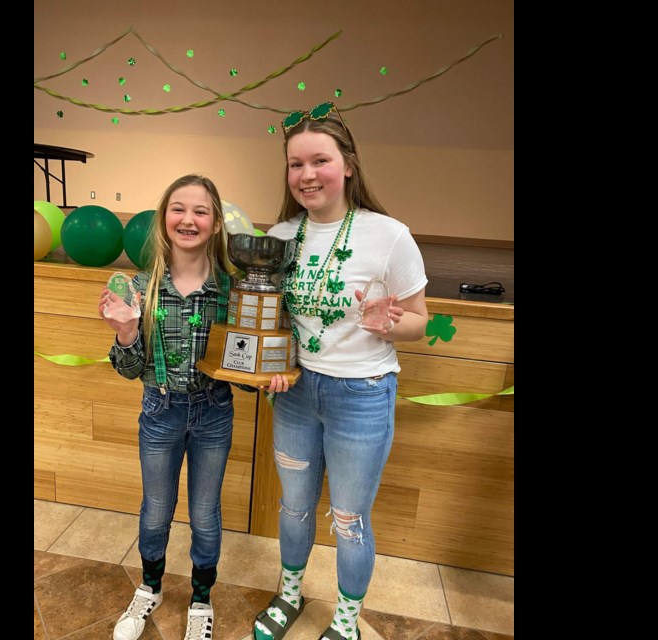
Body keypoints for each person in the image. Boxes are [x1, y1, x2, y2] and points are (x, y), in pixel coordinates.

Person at [253, 103, 429, 640]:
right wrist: (270, 368)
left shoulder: (390, 235)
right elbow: (271, 322)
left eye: (320, 161)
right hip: (298, 394)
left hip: (363, 396)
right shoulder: (281, 236)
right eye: (295, 164)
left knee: (349, 519)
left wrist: (388, 327)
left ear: (348, 164)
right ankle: (289, 596)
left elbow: (420, 322)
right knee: (294, 507)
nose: (307, 175)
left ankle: (347, 621)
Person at [99, 174, 253, 640]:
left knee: (205, 512)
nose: (188, 219)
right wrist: (126, 332)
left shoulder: (232, 291)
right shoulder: (140, 287)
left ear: (215, 223)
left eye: (201, 211)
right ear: (164, 219)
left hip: (214, 414)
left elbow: (242, 376)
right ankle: (150, 586)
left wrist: (267, 378)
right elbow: (129, 369)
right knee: (156, 509)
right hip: (158, 413)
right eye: (179, 209)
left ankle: (201, 597)